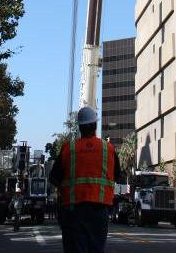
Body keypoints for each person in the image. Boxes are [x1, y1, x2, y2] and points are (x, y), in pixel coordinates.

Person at [49, 106, 123, 253]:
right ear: (95, 125)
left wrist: (65, 191)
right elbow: (117, 176)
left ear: (80, 127)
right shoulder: (108, 149)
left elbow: (54, 177)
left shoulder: (68, 148)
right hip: (100, 210)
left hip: (73, 210)